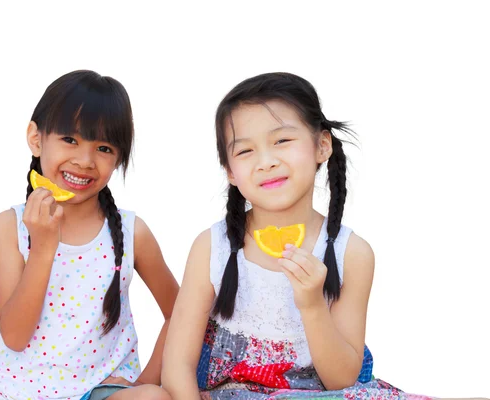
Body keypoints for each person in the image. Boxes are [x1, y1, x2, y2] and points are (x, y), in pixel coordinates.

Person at [162, 72, 430, 399]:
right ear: (230, 171)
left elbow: (342, 381)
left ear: (322, 145)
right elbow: (177, 366)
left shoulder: (352, 253)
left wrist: (312, 305)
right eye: (245, 151)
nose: (266, 161)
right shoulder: (212, 247)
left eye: (282, 141)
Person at [0, 70, 177, 400]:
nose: (84, 161)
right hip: (11, 389)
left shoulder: (131, 232)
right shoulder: (8, 226)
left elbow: (181, 313)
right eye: (70, 140)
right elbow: (14, 335)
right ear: (36, 139)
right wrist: (42, 247)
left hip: (97, 389)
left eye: (104, 148)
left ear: (119, 158)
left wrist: (144, 382)